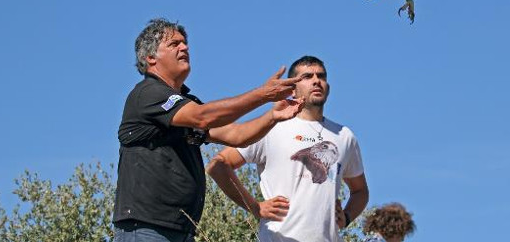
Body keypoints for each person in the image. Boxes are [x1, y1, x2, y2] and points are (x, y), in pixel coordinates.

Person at [113, 18, 304, 242]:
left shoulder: (184, 103)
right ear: (151, 58)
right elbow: (202, 117)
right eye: (174, 44)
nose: (184, 47)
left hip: (180, 232)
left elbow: (237, 136)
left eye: (184, 43)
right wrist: (263, 94)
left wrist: (272, 116)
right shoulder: (148, 93)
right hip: (147, 229)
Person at [207, 55, 369, 242]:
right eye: (307, 77)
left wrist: (346, 218)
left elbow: (360, 191)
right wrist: (254, 206)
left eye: (321, 76)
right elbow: (218, 165)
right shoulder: (272, 127)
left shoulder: (344, 136)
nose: (317, 81)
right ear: (293, 89)